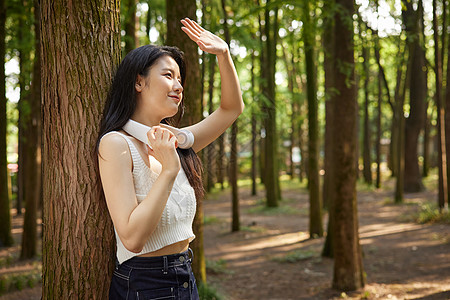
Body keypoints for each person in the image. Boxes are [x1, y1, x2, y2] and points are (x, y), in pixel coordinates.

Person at [96, 18, 244, 299]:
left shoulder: (175, 140)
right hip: (144, 283)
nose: (178, 85)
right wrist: (168, 170)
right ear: (139, 82)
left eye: (180, 78)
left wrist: (224, 54)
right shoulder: (116, 144)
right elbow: (131, 238)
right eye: (168, 75)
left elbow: (231, 108)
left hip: (185, 276)